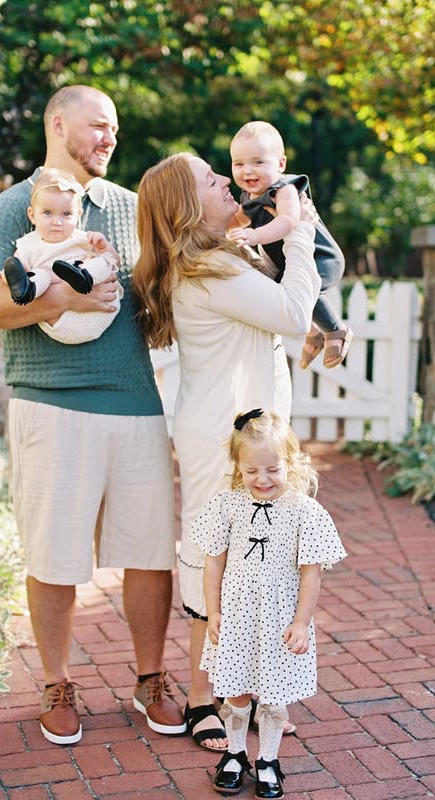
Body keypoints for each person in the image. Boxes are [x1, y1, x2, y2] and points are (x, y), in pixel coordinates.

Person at [0, 85, 185, 745]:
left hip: (136, 405)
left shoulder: (129, 206)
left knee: (151, 551)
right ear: (58, 123)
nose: (110, 138)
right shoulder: (16, 207)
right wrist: (59, 298)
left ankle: (151, 678)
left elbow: (162, 298)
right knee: (55, 554)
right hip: (50, 404)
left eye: (115, 128)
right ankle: (57, 682)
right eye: (99, 126)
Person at [133, 152, 321, 752]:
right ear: (190, 208)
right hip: (224, 436)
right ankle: (199, 696)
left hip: (247, 427)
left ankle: (248, 689)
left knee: (257, 560)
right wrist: (303, 232)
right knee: (219, 557)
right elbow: (294, 314)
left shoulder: (221, 257)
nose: (225, 182)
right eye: (212, 181)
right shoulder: (208, 269)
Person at [190, 409, 347, 798]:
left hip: (280, 619)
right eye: (252, 470)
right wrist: (214, 612)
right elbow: (214, 563)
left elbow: (312, 573)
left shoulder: (305, 512)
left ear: (290, 463)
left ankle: (268, 759)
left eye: (272, 469)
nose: (262, 479)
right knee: (236, 691)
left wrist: (301, 622)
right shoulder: (227, 505)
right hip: (237, 618)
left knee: (274, 695)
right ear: (238, 467)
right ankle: (236, 754)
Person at [228, 120, 353, 370]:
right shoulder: (249, 197)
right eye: (239, 164)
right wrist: (217, 232)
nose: (248, 171)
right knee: (281, 292)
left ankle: (336, 331)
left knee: (308, 289)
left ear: (281, 164)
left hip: (321, 258)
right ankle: (313, 330)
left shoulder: (284, 189)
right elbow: (236, 221)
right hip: (291, 263)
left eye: (258, 162)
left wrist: (254, 237)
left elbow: (288, 220)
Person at [1, 166, 124, 345]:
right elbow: (15, 271)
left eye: (66, 214)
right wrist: (10, 276)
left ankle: (83, 276)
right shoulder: (28, 245)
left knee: (102, 261)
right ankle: (28, 289)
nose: (57, 222)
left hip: (98, 312)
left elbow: (115, 264)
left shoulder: (84, 239)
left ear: (78, 215)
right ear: (32, 215)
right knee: (39, 273)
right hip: (59, 321)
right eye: (48, 213)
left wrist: (104, 247)